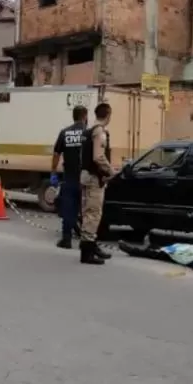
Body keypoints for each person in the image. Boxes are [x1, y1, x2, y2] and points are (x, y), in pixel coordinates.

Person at [78, 102, 114, 265]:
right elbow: (98, 156)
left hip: (85, 175)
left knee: (87, 213)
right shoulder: (99, 132)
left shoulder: (88, 131)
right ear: (108, 115)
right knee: (93, 214)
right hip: (94, 178)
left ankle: (90, 247)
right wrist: (110, 171)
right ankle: (87, 252)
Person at [51, 105, 88, 249]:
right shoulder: (88, 133)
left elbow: (56, 154)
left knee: (68, 208)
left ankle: (66, 239)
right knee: (86, 210)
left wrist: (53, 172)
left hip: (69, 177)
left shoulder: (64, 133)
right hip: (85, 177)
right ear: (84, 116)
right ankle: (86, 241)